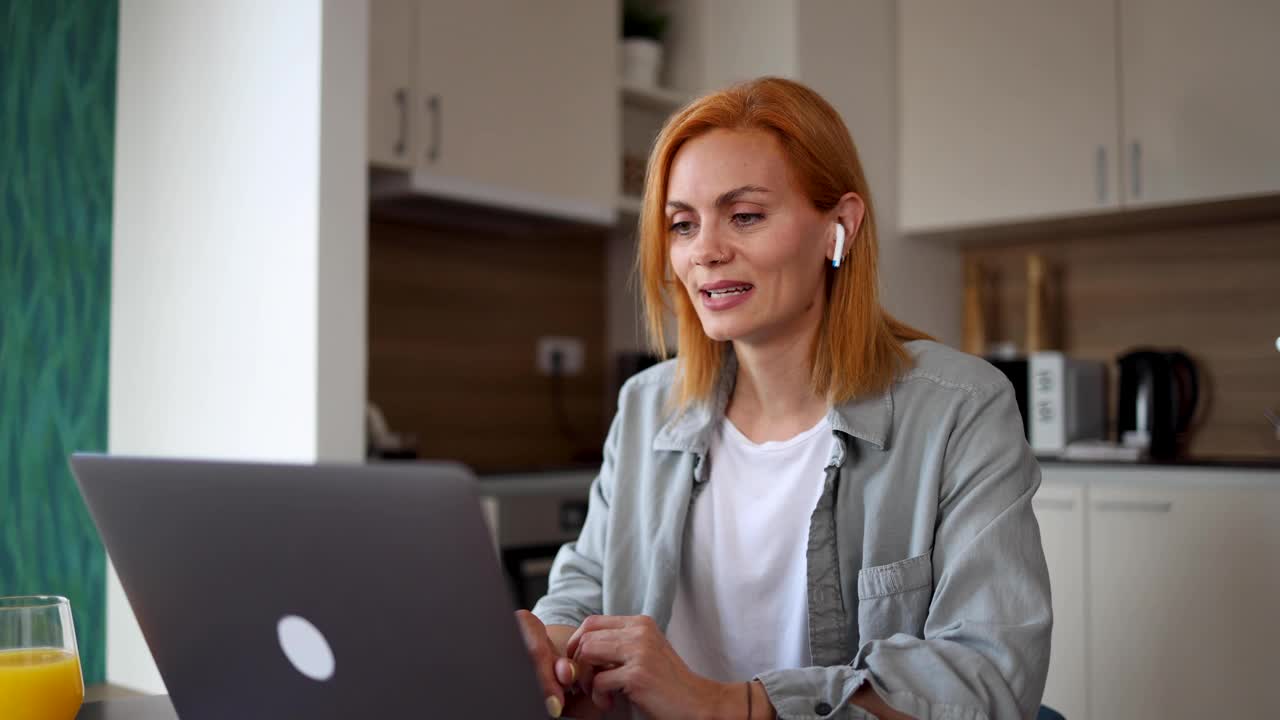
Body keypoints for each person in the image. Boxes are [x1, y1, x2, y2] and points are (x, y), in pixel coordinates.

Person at [515, 77, 1052, 720]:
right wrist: (551, 647)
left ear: (839, 228)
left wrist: (729, 705)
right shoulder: (645, 407)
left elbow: (989, 675)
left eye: (745, 216)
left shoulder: (961, 408)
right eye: (683, 225)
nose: (706, 252)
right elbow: (585, 587)